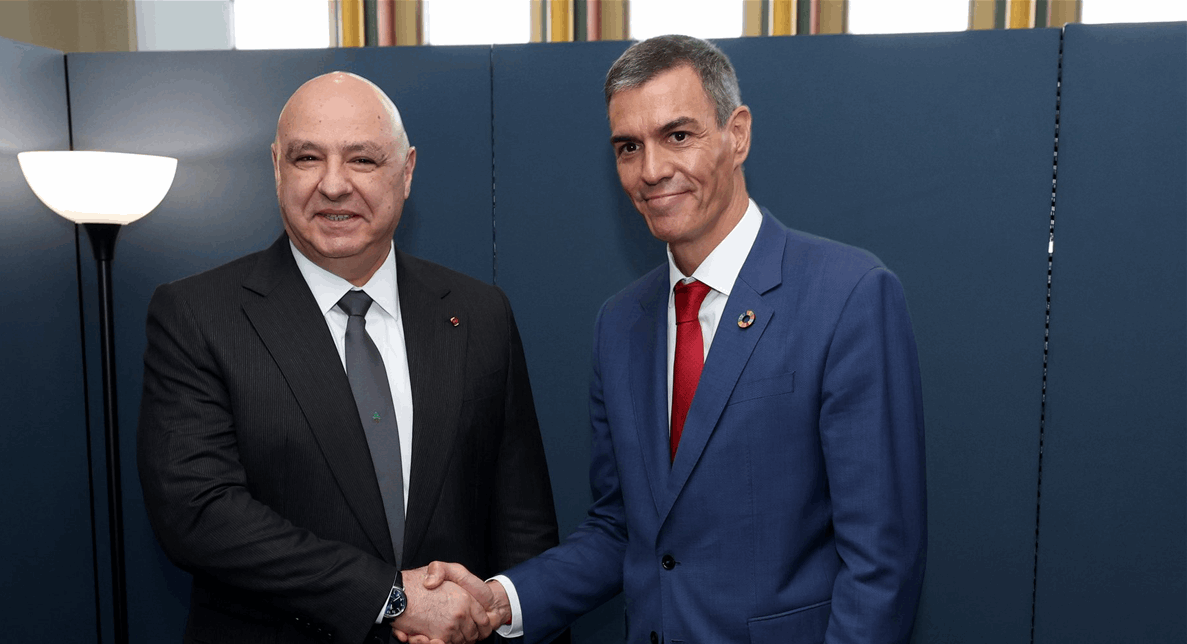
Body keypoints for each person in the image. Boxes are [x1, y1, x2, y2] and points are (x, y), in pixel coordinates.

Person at [415, 34, 927, 644]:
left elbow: (881, 567)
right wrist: (500, 601)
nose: (652, 170)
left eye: (678, 135)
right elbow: (621, 529)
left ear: (737, 134)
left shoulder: (848, 296)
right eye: (629, 147)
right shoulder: (620, 324)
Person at [137, 71, 561, 644]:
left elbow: (522, 523)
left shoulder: (479, 313)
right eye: (307, 158)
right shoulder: (197, 315)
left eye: (362, 159)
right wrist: (389, 598)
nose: (333, 185)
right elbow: (198, 513)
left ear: (406, 172)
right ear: (277, 167)